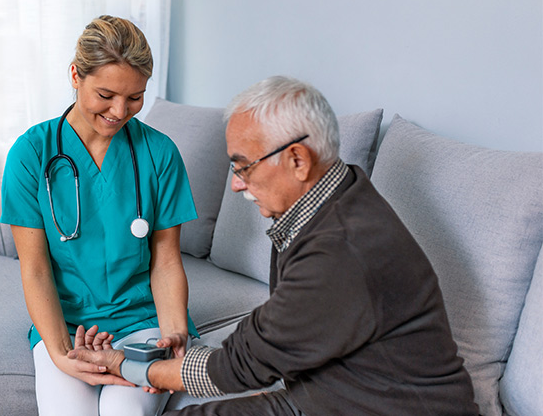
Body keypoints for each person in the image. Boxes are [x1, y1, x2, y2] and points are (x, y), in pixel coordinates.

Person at [73, 76, 480, 415]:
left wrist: (129, 367)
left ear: (299, 160)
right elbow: (274, 337)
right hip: (332, 394)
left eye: (243, 166)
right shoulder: (339, 190)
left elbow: (241, 365)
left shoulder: (340, 252)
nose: (235, 183)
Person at [0, 15, 198, 416]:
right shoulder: (31, 153)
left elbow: (165, 261)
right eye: (106, 94)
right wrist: (58, 351)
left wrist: (174, 332)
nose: (120, 111)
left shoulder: (160, 153)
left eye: (135, 97)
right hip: (70, 326)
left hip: (144, 324)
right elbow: (35, 268)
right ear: (75, 75)